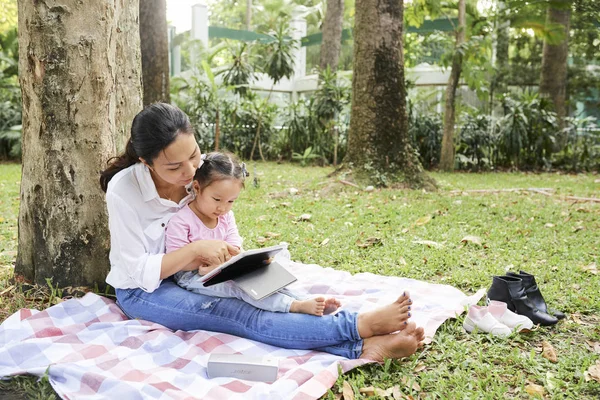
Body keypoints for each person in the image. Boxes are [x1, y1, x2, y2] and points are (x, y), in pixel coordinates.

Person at [100, 102, 425, 361]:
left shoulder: (200, 175)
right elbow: (134, 270)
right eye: (174, 167)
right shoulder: (124, 190)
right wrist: (195, 251)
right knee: (238, 314)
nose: (189, 172)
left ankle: (363, 347)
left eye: (194, 155)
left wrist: (231, 260)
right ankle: (358, 330)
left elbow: (221, 208)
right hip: (146, 291)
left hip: (203, 274)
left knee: (268, 291)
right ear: (145, 161)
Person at [165, 151, 341, 316]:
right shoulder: (181, 220)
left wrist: (223, 265)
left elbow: (234, 246)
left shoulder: (226, 217)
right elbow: (177, 261)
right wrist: (209, 267)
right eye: (217, 199)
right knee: (239, 287)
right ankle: (293, 306)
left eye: (231, 201)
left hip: (223, 268)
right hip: (192, 276)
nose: (223, 207)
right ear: (197, 187)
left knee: (264, 274)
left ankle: (301, 297)